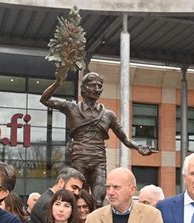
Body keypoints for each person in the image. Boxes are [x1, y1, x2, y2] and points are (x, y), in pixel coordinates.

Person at [40, 72, 154, 207]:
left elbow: (125, 139)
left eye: (100, 86)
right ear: (84, 88)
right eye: (93, 85)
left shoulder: (108, 115)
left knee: (99, 199)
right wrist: (58, 83)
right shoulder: (72, 108)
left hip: (98, 159)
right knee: (79, 198)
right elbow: (45, 100)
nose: (97, 89)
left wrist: (138, 147)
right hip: (79, 158)